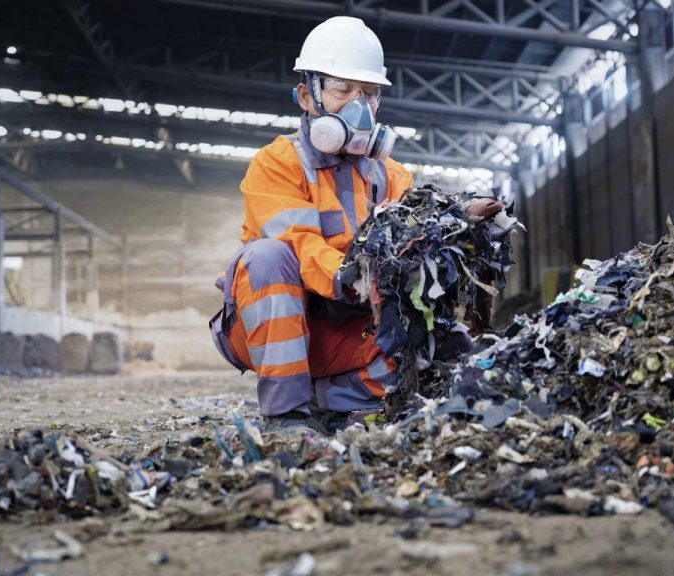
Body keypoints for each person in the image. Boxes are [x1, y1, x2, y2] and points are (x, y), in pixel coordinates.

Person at [210, 16, 500, 434]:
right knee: (268, 256)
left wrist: (453, 229)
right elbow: (298, 246)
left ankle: (331, 404)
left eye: (368, 93)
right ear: (306, 96)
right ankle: (287, 416)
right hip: (278, 329)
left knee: (436, 356)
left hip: (350, 332)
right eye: (342, 90)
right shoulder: (277, 164)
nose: (358, 105)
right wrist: (361, 275)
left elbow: (413, 257)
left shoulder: (393, 177)